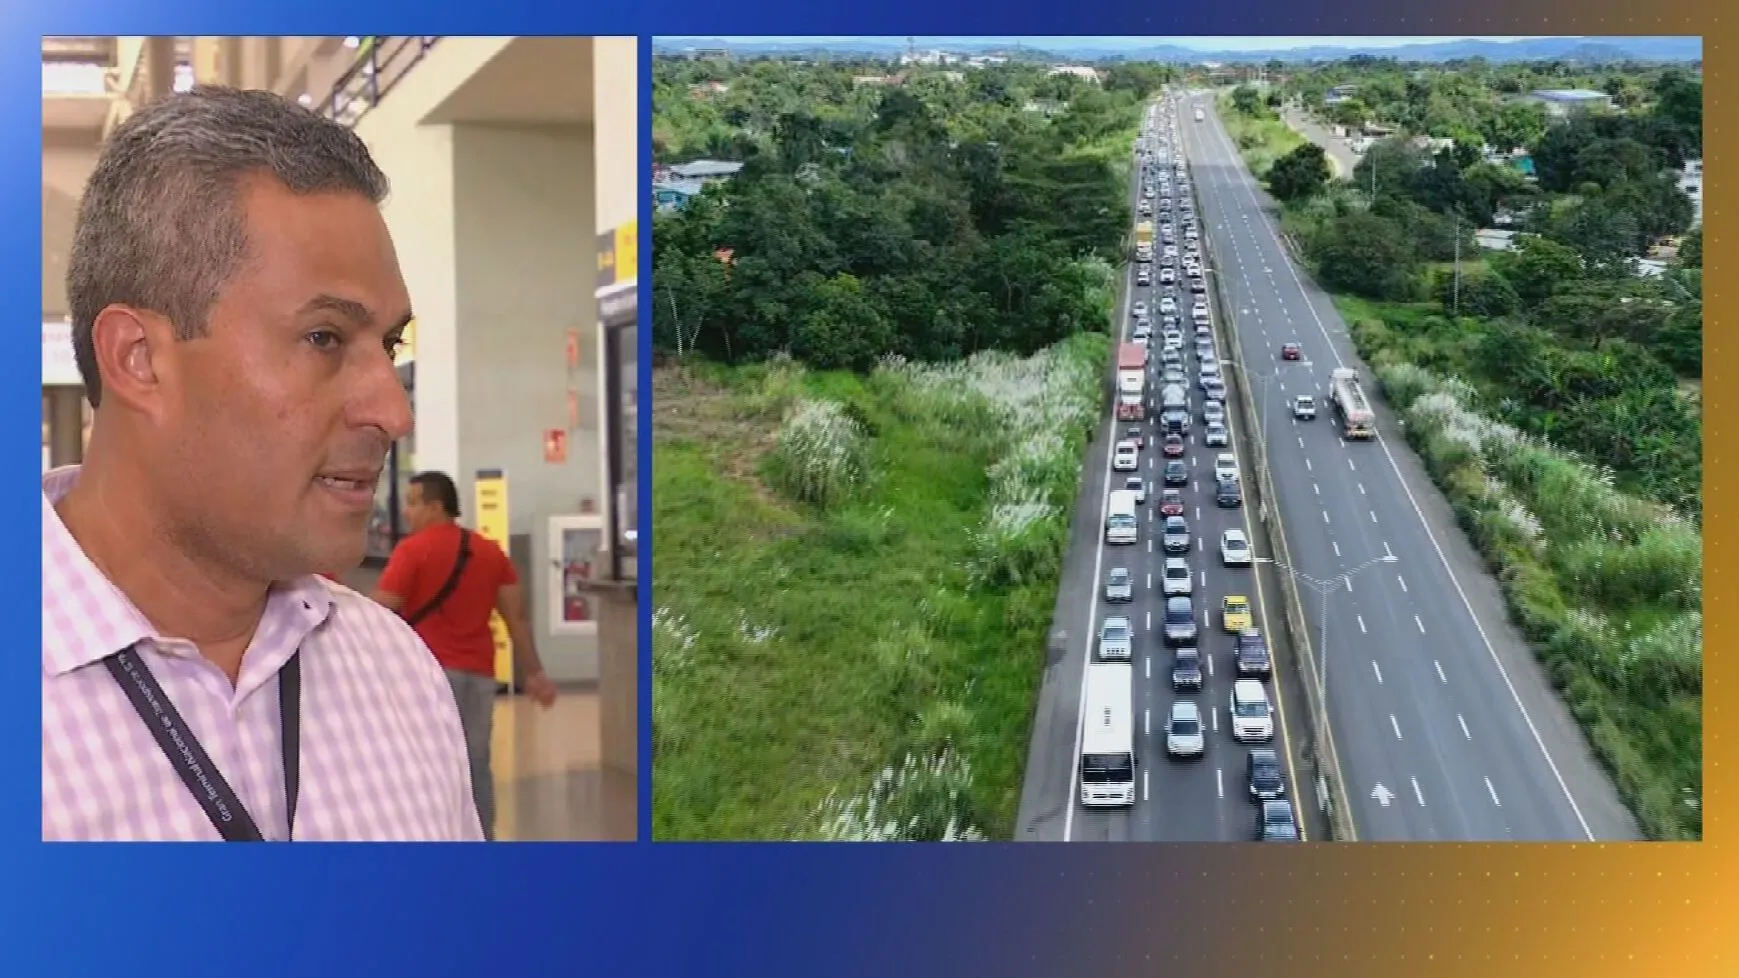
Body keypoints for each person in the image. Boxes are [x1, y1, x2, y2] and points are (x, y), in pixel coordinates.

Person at [42, 86, 481, 841]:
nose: (392, 412)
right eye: (324, 339)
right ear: (139, 359)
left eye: (391, 345)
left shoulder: (397, 674)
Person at [373, 471, 557, 841]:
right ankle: (480, 844)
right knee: (475, 764)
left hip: (426, 676)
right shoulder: (490, 553)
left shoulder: (412, 551)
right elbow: (516, 619)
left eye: (412, 503)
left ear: (435, 506)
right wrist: (535, 672)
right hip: (478, 675)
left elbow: (381, 613)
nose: (407, 512)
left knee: (425, 763)